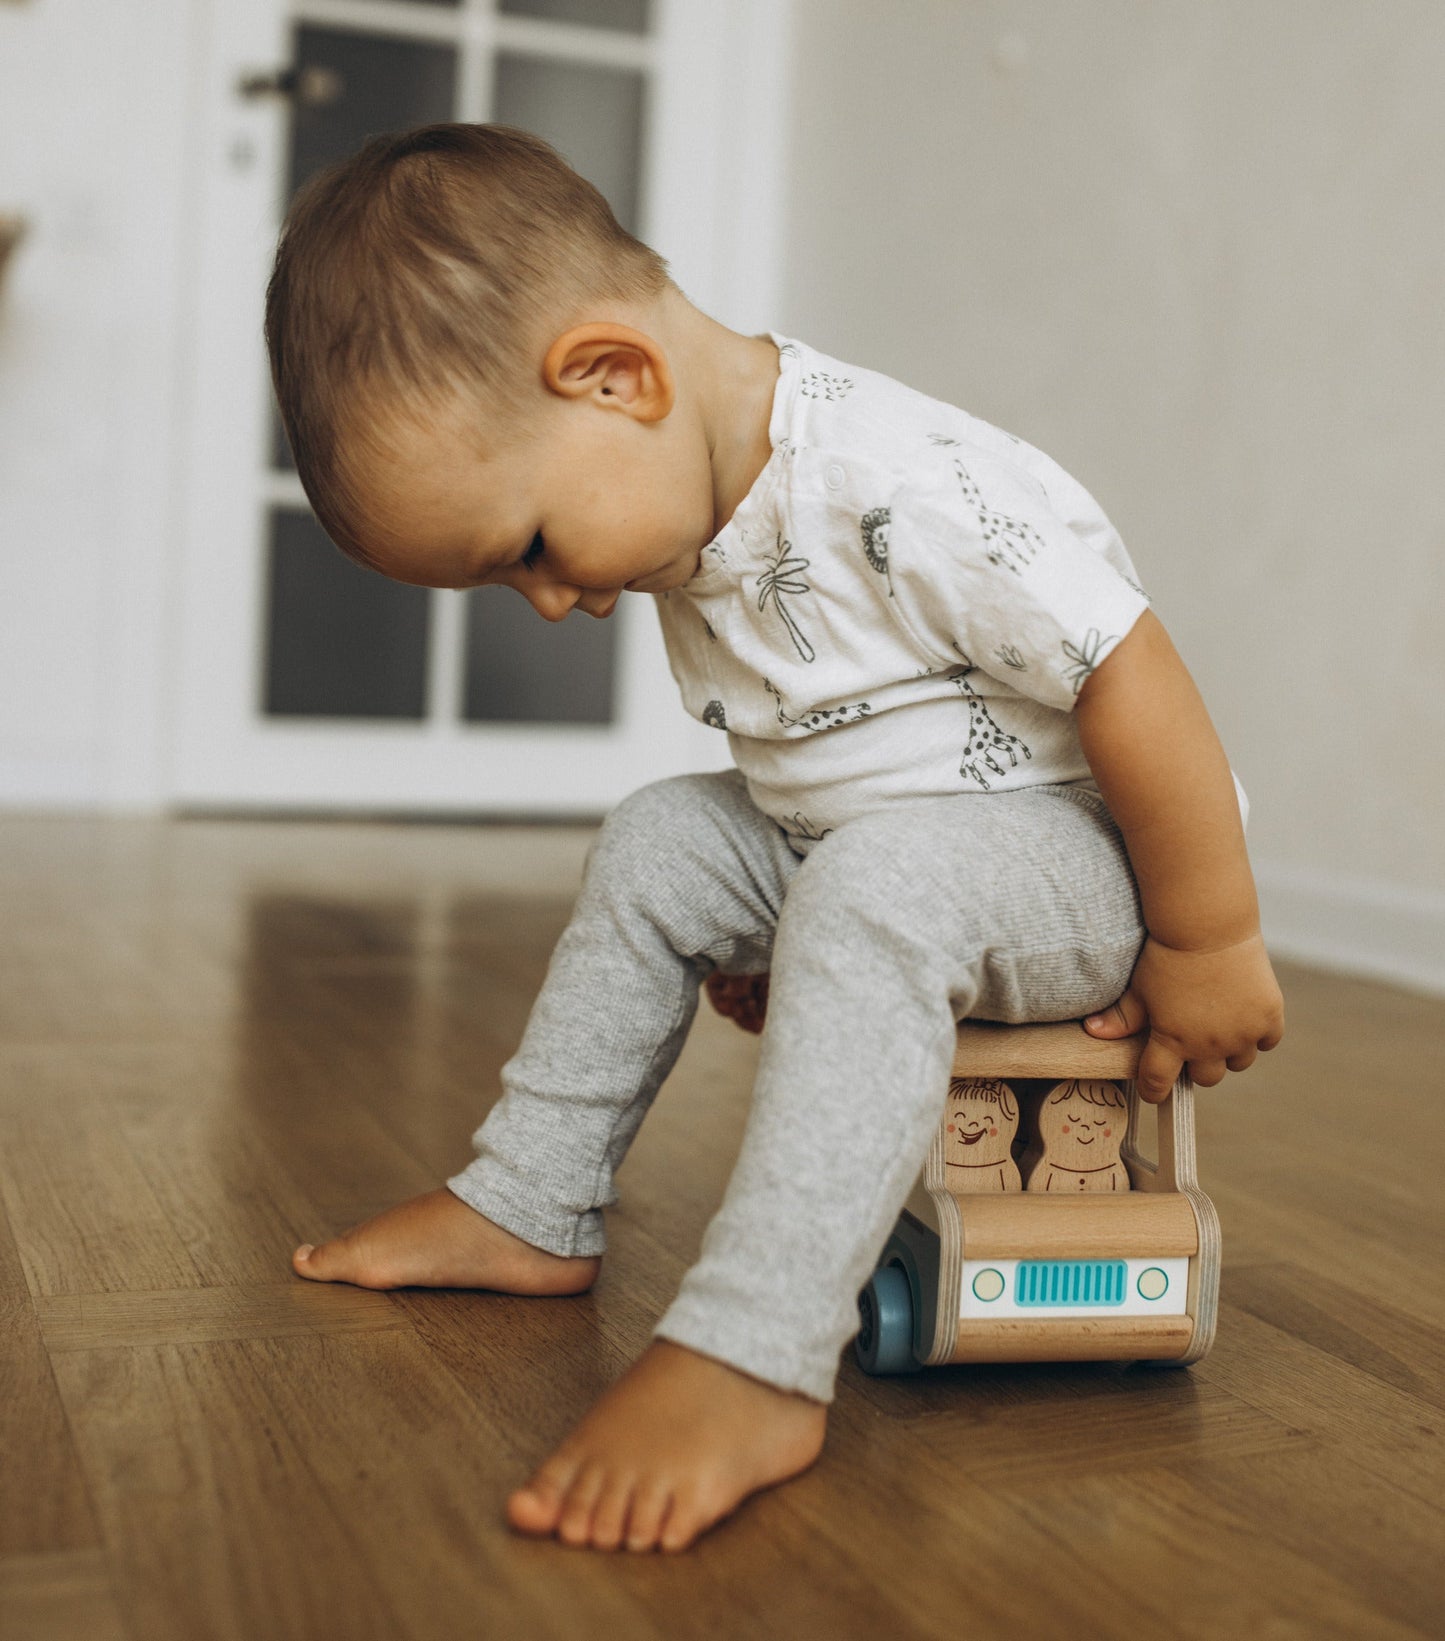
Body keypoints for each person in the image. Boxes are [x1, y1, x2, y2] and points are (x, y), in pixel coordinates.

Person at [266, 123, 1284, 1553]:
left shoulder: (895, 481)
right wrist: (786, 922)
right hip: (894, 850)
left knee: (872, 887)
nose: (552, 600)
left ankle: (754, 1353)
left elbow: (1129, 669)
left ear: (613, 377)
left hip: (1086, 857)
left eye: (531, 547)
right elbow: (836, 749)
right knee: (661, 842)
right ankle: (528, 1199)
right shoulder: (691, 488)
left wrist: (1209, 933)